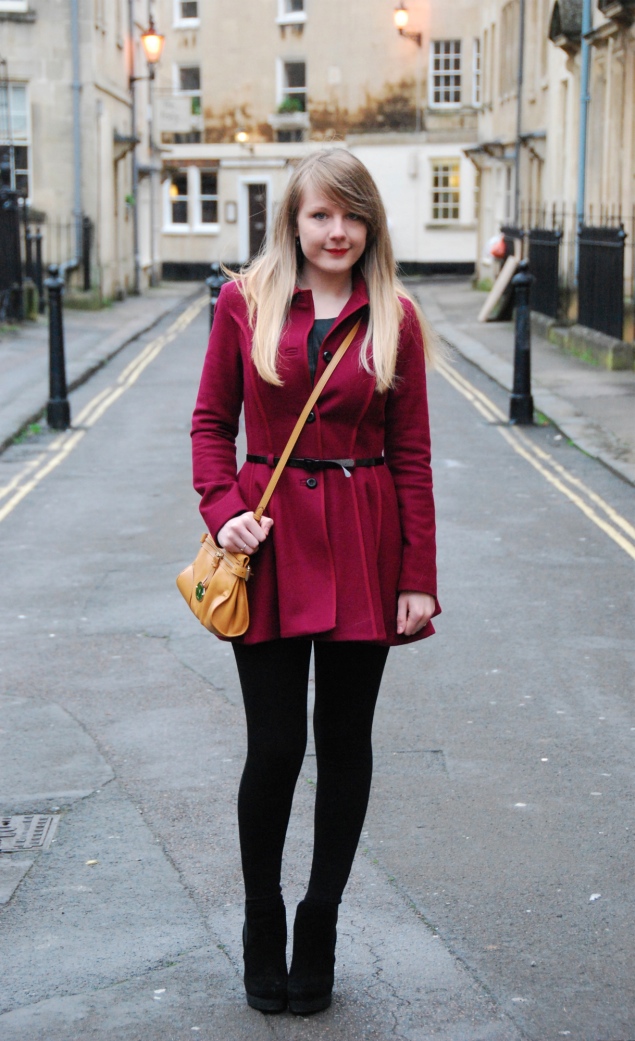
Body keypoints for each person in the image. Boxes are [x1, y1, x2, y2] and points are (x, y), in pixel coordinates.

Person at [191, 148, 440, 1016]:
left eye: (351, 215)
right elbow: (209, 424)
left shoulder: (394, 317)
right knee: (275, 748)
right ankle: (263, 920)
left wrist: (418, 577)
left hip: (365, 542)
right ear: (291, 223)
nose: (336, 231)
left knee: (344, 746)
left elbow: (411, 455)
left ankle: (319, 922)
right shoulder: (243, 303)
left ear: (370, 224)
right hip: (267, 544)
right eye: (319, 215)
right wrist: (223, 511)